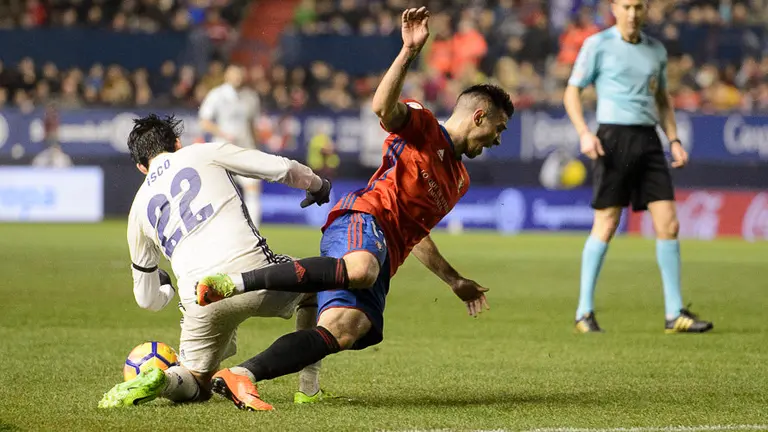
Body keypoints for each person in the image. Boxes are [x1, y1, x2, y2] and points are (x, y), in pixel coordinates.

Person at [194, 6, 514, 411]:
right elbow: (383, 108)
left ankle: (244, 375)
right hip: (363, 219)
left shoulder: (458, 181)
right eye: (498, 129)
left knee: (347, 328)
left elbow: (416, 236)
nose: (497, 140)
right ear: (479, 117)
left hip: (386, 253)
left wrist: (454, 280)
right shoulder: (424, 126)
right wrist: (408, 53)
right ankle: (235, 282)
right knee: (362, 269)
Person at [97, 114, 339, 409]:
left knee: (197, 383)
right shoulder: (203, 152)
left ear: (141, 167)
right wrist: (317, 185)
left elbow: (147, 300)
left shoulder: (137, 210)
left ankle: (165, 380)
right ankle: (308, 388)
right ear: (177, 143)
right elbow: (283, 168)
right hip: (252, 274)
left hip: (200, 298)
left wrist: (166, 291)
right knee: (315, 288)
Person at [563, 0, 713, 334]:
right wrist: (584, 133)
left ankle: (674, 314)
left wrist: (673, 139)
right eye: (627, 6)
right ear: (614, 8)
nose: (633, 14)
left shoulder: (656, 50)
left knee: (669, 224)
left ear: (646, 10)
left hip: (648, 140)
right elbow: (572, 92)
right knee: (607, 223)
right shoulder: (598, 44)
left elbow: (662, 100)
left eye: (639, 7)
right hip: (613, 139)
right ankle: (583, 312)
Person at [198, 65, 264, 227]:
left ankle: (254, 231)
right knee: (218, 192)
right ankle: (215, 228)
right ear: (226, 76)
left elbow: (252, 125)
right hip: (223, 149)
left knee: (252, 189)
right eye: (234, 74)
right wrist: (223, 133)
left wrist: (257, 148)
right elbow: (204, 122)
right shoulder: (217, 95)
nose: (237, 78)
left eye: (240, 74)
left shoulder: (250, 97)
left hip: (244, 149)